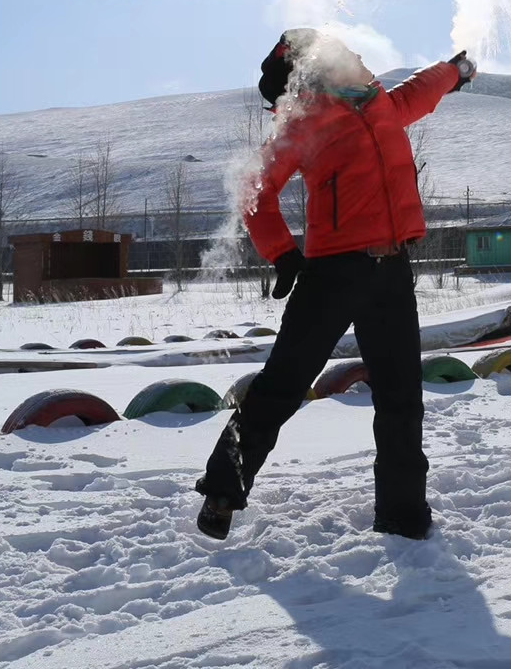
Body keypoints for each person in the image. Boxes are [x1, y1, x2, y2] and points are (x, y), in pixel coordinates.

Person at [194, 28, 477, 541]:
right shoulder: (302, 124)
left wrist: (453, 72)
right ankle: (221, 492)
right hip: (332, 273)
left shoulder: (378, 106)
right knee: (281, 385)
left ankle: (404, 514)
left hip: (391, 270)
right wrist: (281, 252)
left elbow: (420, 90)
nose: (357, 55)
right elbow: (255, 188)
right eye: (344, 53)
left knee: (401, 398)